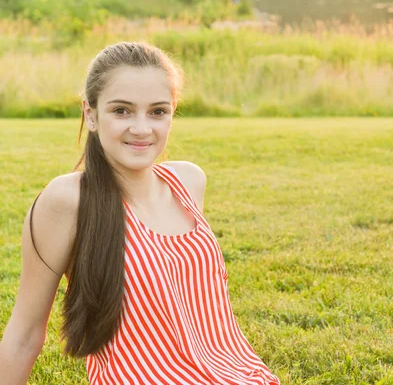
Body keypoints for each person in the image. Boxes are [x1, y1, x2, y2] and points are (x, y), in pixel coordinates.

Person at [0, 41, 280, 385]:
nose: (142, 128)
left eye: (157, 111)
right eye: (121, 111)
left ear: (172, 113)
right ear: (90, 114)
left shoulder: (188, 182)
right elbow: (24, 336)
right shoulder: (68, 199)